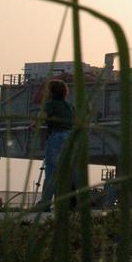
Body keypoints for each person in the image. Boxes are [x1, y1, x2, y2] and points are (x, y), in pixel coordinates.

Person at [39, 79, 75, 208]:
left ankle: (45, 203)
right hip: (69, 137)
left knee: (51, 172)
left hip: (56, 136)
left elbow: (42, 117)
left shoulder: (51, 104)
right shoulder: (69, 106)